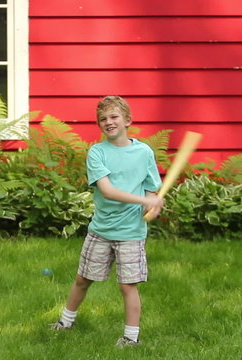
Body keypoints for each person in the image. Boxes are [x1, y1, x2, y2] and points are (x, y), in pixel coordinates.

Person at [51, 96, 163, 348]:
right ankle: (65, 322)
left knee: (128, 286)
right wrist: (144, 201)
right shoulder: (97, 152)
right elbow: (108, 190)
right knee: (83, 279)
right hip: (101, 230)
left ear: (127, 120)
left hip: (131, 232)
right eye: (103, 119)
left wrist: (152, 206)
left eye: (114, 117)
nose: (108, 122)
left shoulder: (144, 152)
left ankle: (130, 338)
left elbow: (151, 189)